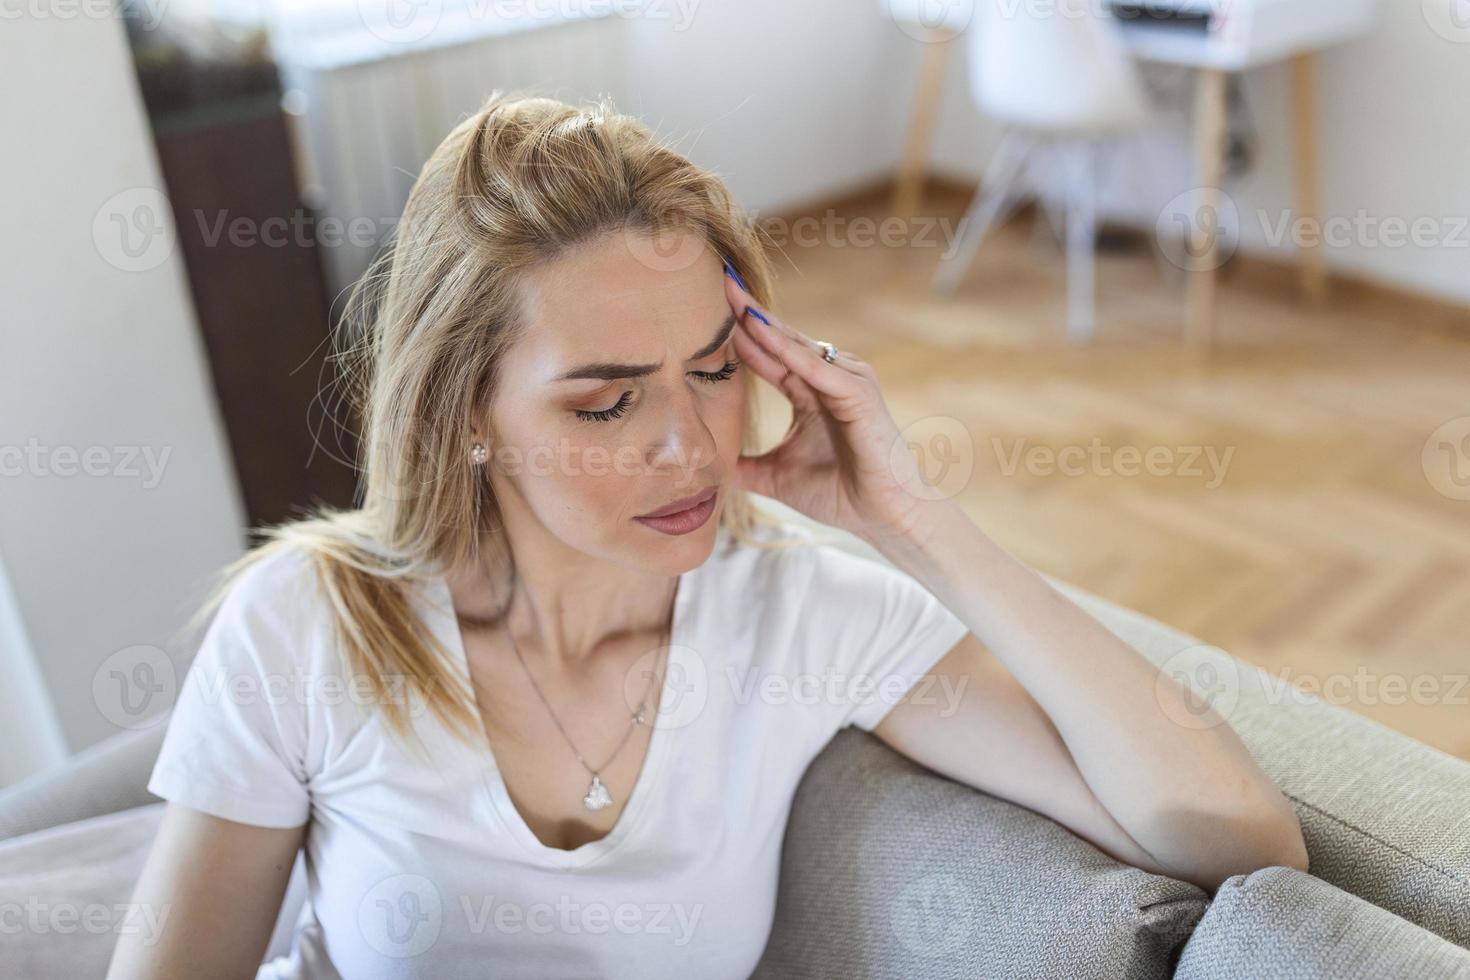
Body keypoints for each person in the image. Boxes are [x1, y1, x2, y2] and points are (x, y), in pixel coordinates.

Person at [108, 91, 1307, 980]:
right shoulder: (310, 625)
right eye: (608, 400)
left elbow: (1236, 841)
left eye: (717, 366)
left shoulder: (807, 612)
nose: (690, 444)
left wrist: (914, 519)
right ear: (464, 410)